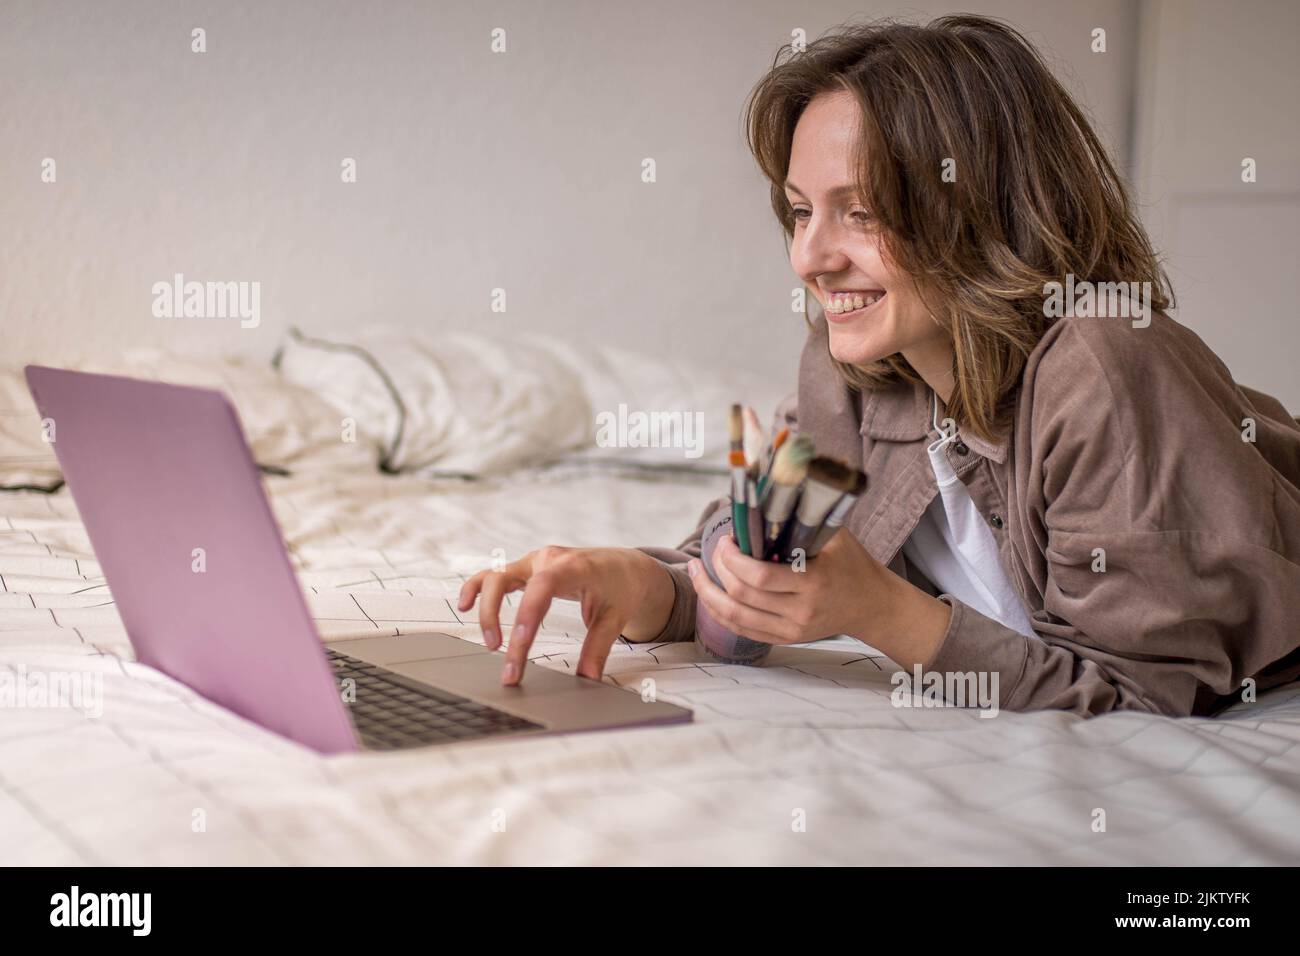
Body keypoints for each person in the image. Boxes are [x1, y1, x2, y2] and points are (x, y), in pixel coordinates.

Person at [458, 15, 1300, 717]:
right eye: (798, 213)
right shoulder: (851, 366)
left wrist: (884, 613)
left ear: (985, 210)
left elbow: (1147, 703)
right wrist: (640, 582)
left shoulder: (1104, 367)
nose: (809, 258)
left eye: (859, 212)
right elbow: (770, 563)